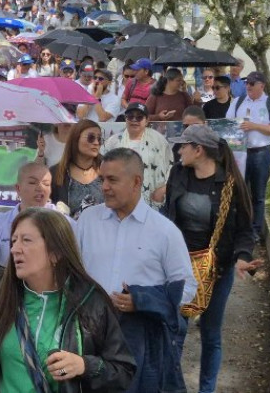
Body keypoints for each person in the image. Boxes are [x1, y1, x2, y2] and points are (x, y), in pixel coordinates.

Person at [0, 208, 137, 393]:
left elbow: (124, 371)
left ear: (56, 253)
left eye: (26, 240)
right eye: (13, 241)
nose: (14, 249)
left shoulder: (90, 303)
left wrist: (83, 365)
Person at [77, 148, 196, 393]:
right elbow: (72, 272)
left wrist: (142, 300)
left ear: (136, 182)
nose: (105, 187)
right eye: (102, 180)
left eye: (113, 180)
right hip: (89, 334)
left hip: (138, 340)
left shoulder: (164, 231)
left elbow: (187, 288)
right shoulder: (88, 221)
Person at [164, 125, 263, 393]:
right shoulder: (178, 174)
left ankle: (206, 389)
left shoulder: (230, 183)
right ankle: (174, 387)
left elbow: (245, 229)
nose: (179, 149)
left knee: (210, 334)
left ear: (199, 150)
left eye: (184, 145)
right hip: (179, 268)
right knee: (175, 331)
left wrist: (242, 257)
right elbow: (167, 217)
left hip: (216, 271)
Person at [226, 71, 270, 242]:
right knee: (239, 192)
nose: (248, 86)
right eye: (247, 83)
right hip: (240, 153)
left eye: (252, 83)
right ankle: (240, 227)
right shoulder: (238, 102)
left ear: (262, 85)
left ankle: (255, 231)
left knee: (258, 194)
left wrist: (254, 126)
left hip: (260, 153)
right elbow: (228, 125)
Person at [103, 102, 172, 207]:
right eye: (130, 117)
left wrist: (163, 190)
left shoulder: (159, 140)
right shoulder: (113, 141)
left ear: (147, 120)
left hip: (152, 201)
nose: (134, 120)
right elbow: (101, 167)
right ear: (125, 119)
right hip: (120, 201)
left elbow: (171, 167)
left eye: (139, 117)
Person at [50, 119, 104, 219]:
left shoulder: (107, 170)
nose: (96, 143)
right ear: (75, 139)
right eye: (91, 138)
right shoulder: (55, 173)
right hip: (69, 233)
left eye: (99, 139)